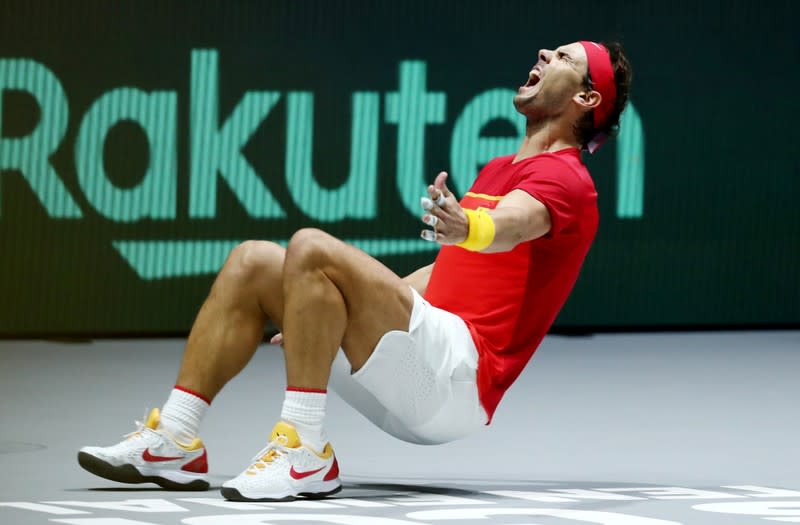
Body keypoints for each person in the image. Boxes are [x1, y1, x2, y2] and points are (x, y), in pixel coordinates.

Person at [78, 40, 632, 502]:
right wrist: (322, 305)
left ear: (587, 97)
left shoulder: (567, 180)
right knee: (253, 260)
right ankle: (174, 438)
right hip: (418, 362)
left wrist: (471, 228)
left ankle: (304, 449)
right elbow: (445, 277)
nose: (543, 52)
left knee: (311, 247)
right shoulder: (498, 167)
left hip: (457, 380)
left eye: (562, 56)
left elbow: (515, 223)